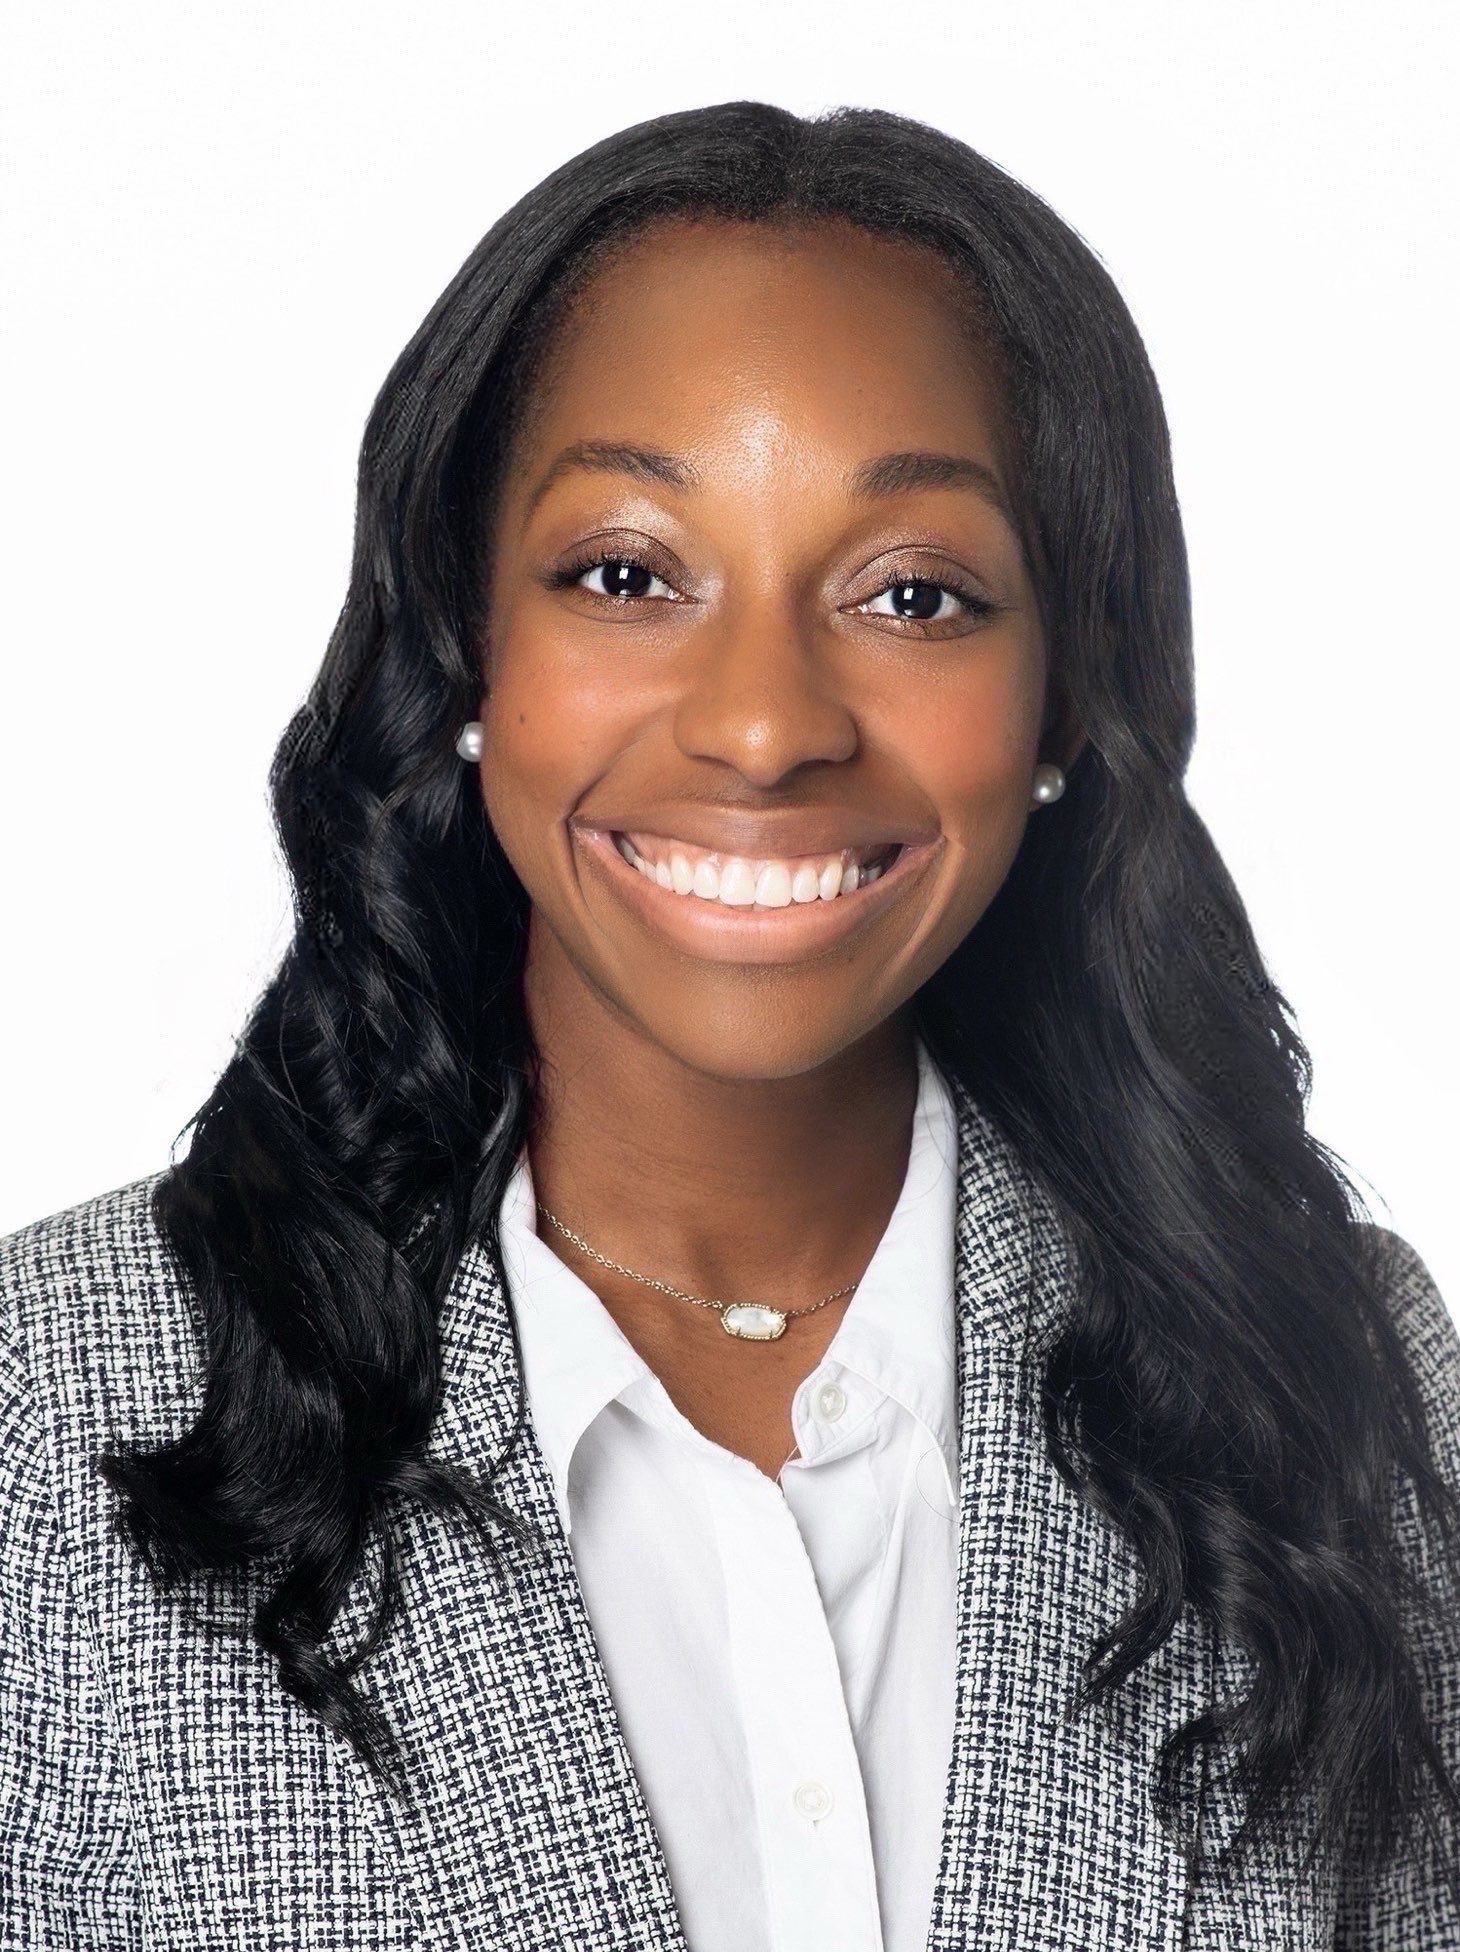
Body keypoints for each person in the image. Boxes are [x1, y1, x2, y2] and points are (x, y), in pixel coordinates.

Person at [2, 100, 1457, 1951]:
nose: (764, 724)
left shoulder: (1342, 1374)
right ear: (464, 652)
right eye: (627, 574)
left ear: (1068, 699)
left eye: (913, 594)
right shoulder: (44, 1421)